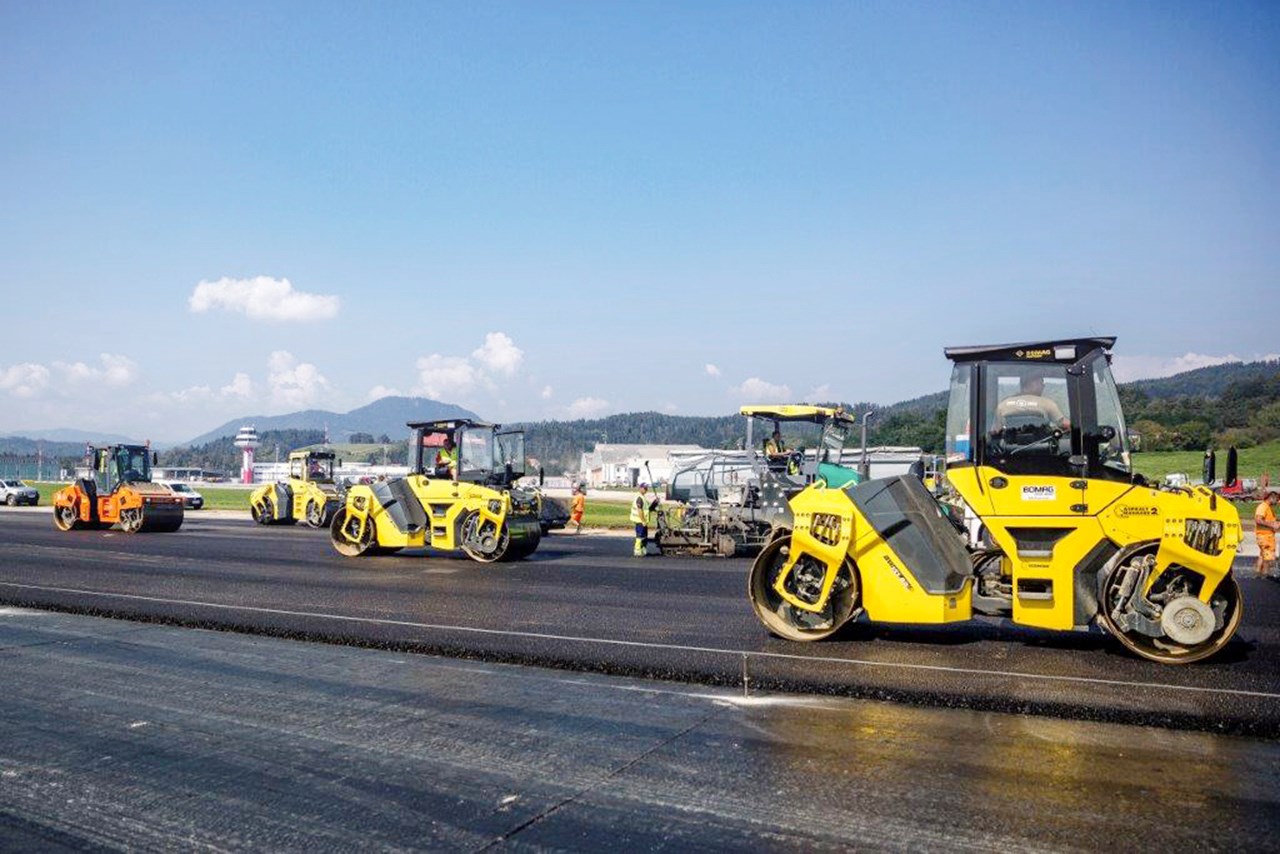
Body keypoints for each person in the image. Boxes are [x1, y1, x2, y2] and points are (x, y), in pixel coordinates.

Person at [994, 374, 1070, 434]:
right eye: (1041, 383)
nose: (1043, 386)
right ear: (1032, 383)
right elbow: (1065, 425)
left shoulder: (1003, 405)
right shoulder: (1047, 403)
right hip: (1042, 447)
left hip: (1009, 448)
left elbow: (995, 431)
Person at [1255, 489, 1280, 580]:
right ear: (1271, 498)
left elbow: (1269, 520)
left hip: (1266, 535)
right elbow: (1258, 520)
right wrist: (1272, 525)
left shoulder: (1267, 507)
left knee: (1262, 556)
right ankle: (1265, 576)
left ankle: (1258, 574)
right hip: (1265, 536)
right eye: (1276, 500)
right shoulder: (1263, 507)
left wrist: (1275, 523)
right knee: (1268, 557)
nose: (1277, 502)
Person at [630, 482, 660, 557]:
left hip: (643, 521)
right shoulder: (639, 498)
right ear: (640, 488)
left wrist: (654, 503)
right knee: (640, 535)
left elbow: (647, 509)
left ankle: (643, 549)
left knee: (644, 536)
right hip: (639, 521)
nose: (646, 490)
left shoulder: (643, 498)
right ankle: (637, 550)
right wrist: (643, 520)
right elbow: (640, 511)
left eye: (646, 488)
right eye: (644, 488)